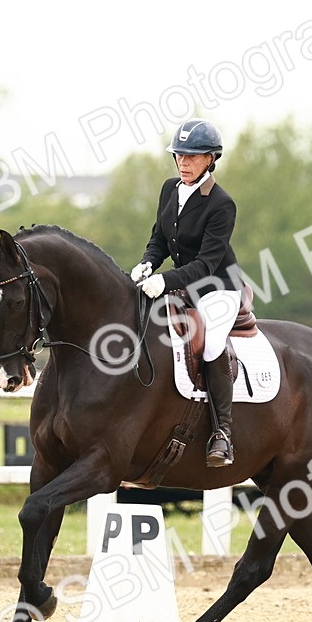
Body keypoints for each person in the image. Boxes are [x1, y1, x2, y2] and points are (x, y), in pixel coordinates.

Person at [131, 119, 244, 468]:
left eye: (192, 157)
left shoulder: (222, 204)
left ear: (211, 159)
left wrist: (165, 281)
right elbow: (159, 240)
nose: (183, 162)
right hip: (179, 283)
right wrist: (147, 264)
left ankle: (222, 433)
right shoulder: (170, 189)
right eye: (179, 155)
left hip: (218, 289)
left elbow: (208, 264)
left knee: (209, 342)